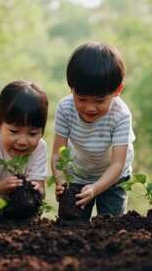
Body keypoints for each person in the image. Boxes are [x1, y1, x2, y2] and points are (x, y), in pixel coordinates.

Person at [51, 42, 135, 220]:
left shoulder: (120, 115)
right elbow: (58, 154)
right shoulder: (65, 108)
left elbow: (117, 164)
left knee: (111, 223)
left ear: (117, 90)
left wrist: (96, 188)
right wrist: (60, 180)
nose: (90, 108)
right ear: (71, 88)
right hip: (78, 174)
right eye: (81, 99)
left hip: (113, 177)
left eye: (99, 101)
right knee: (72, 224)